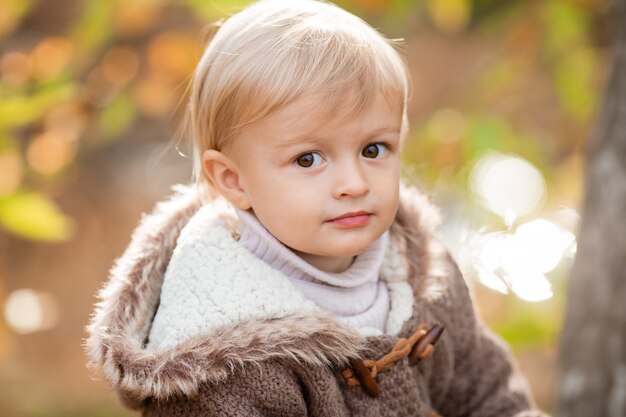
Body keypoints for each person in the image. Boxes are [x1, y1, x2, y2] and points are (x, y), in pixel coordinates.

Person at [85, 1, 548, 415]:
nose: (353, 183)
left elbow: (487, 391)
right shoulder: (229, 358)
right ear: (234, 180)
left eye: (373, 149)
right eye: (308, 159)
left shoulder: (419, 272)